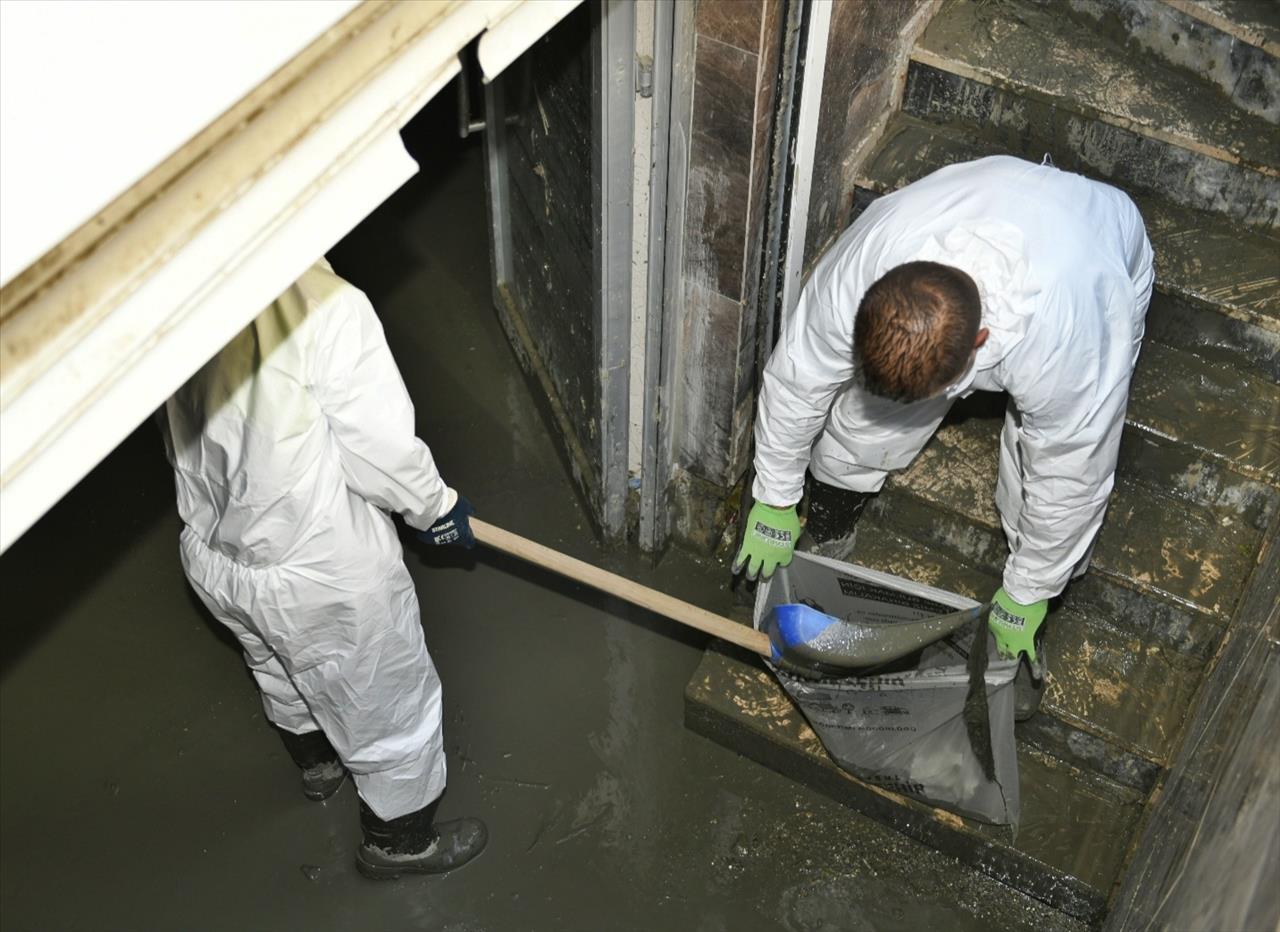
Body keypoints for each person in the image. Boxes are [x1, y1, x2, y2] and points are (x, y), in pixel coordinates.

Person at [733, 155, 1154, 716]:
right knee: (859, 425)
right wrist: (776, 495)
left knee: (1036, 485)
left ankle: (1038, 600)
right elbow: (798, 378)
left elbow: (1074, 470)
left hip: (1102, 246)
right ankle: (830, 528)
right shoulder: (867, 264)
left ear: (979, 343)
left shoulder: (1069, 336)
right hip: (981, 197)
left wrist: (1029, 592)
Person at [160, 258, 487, 879]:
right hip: (316, 566)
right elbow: (379, 452)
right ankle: (400, 844)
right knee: (384, 701)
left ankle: (317, 768)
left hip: (214, 548)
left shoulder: (175, 292)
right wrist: (435, 507)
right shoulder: (325, 305)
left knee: (278, 666)